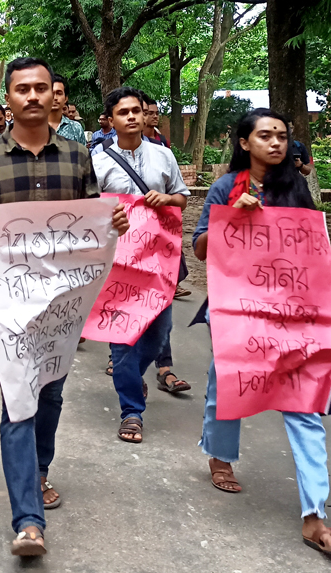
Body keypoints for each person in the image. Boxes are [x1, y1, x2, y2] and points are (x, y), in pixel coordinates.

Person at [0, 57, 130, 556]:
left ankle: (41, 468)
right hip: (6, 307)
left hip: (62, 309)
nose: (31, 96)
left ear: (53, 94)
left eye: (40, 88)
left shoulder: (77, 156)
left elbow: (94, 220)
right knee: (18, 400)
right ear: (7, 97)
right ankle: (28, 520)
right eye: (21, 89)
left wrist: (111, 224)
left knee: (49, 397)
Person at [193, 107, 331, 555]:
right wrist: (233, 215)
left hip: (294, 316)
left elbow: (316, 257)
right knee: (225, 387)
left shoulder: (296, 189)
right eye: (265, 135)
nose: (276, 143)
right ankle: (220, 455)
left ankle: (314, 516)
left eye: (282, 136)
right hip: (239, 312)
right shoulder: (226, 187)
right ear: (244, 143)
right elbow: (202, 249)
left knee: (305, 407)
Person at [92, 87, 190, 443]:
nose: (132, 117)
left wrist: (166, 198)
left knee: (158, 332)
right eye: (124, 112)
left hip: (159, 261)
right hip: (117, 263)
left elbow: (181, 197)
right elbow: (87, 212)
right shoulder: (98, 161)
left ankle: (136, 373)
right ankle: (131, 411)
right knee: (121, 342)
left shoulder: (164, 156)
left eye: (136, 110)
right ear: (111, 120)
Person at [49, 74, 86, 145]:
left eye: (59, 93)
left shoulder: (76, 128)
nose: (55, 98)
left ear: (65, 98)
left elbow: (83, 155)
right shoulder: (33, 128)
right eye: (51, 93)